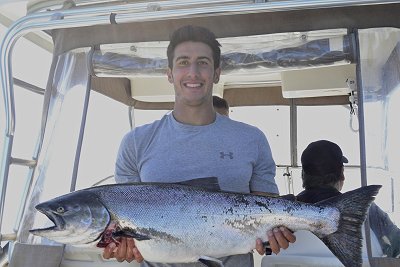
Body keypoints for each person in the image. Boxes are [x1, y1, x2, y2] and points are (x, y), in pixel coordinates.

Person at [103, 25, 296, 266]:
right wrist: (121, 246)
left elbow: (268, 218)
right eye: (183, 62)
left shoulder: (252, 139)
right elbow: (124, 225)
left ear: (216, 73)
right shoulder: (135, 143)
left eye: (202, 63)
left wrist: (274, 237)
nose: (193, 72)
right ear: (170, 74)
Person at [297, 139, 400, 258]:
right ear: (342, 174)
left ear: (303, 176)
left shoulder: (282, 215)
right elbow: (397, 245)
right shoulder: (367, 210)